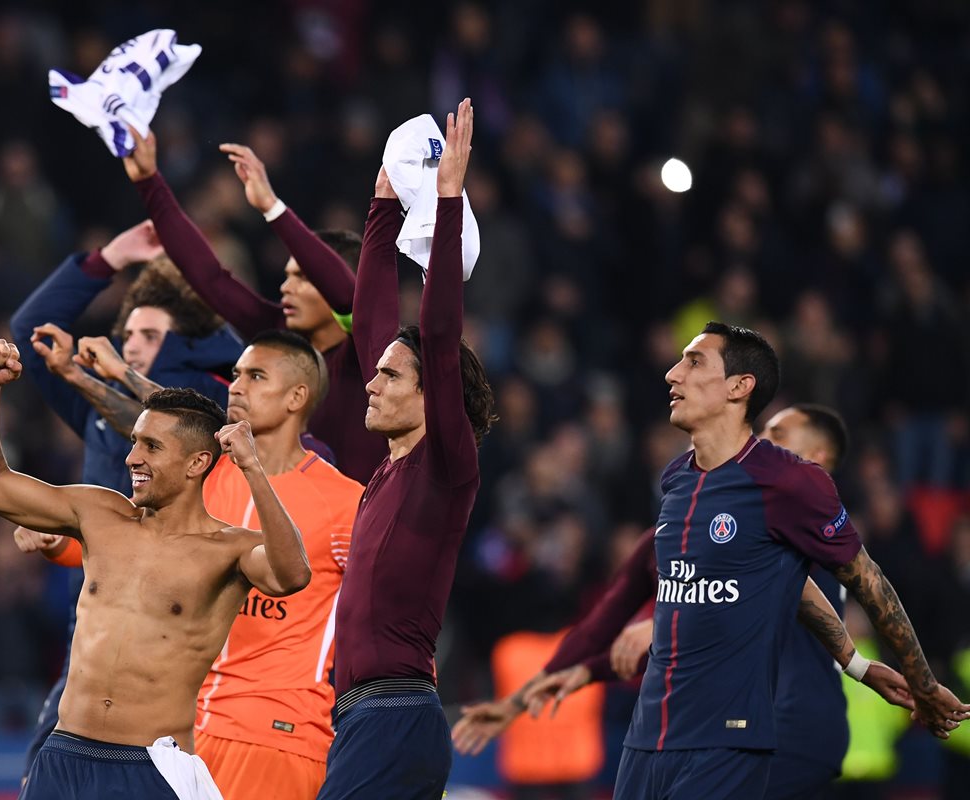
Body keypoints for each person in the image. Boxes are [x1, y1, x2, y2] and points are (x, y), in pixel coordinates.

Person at [530, 322, 967, 800]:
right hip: (647, 737)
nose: (673, 374)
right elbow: (784, 580)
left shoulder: (789, 481)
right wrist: (854, 661)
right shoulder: (676, 478)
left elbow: (868, 582)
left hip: (727, 740)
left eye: (694, 362)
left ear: (740, 387)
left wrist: (922, 684)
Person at [453, 404, 914, 799]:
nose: (762, 446)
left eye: (777, 436)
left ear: (816, 460)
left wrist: (659, 626)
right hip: (735, 730)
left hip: (784, 727)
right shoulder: (674, 534)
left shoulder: (794, 527)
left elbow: (761, 599)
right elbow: (603, 630)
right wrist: (522, 700)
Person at [0, 339, 311, 799]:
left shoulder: (228, 550)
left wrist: (252, 469)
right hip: (63, 753)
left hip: (150, 766)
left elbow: (292, 574)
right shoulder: (99, 513)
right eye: (134, 443)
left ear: (197, 463)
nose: (132, 459)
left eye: (151, 446)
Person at [37, 330, 366, 799]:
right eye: (236, 374)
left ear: (298, 396)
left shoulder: (340, 500)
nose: (236, 386)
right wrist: (57, 546)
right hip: (187, 731)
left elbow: (385, 608)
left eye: (255, 376)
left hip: (277, 729)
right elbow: (164, 445)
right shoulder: (205, 479)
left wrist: (394, 712)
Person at [9, 221, 243, 779]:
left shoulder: (215, 406)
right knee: (43, 770)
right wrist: (108, 259)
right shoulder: (99, 408)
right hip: (94, 626)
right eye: (128, 332)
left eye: (149, 335)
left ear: (188, 347)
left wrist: (126, 370)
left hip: (177, 637)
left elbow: (225, 377)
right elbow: (28, 333)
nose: (130, 343)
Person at [316, 98, 494, 800]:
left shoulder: (445, 467)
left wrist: (447, 203)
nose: (371, 382)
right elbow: (374, 328)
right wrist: (382, 211)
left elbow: (440, 336)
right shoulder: (388, 467)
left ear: (430, 396)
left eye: (390, 376)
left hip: (395, 713)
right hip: (364, 718)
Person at [119, 131, 387, 482]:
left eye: (303, 277)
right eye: (287, 274)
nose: (285, 286)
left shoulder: (371, 349)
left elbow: (345, 294)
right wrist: (149, 182)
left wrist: (272, 208)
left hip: (351, 525)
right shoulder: (276, 332)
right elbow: (210, 277)